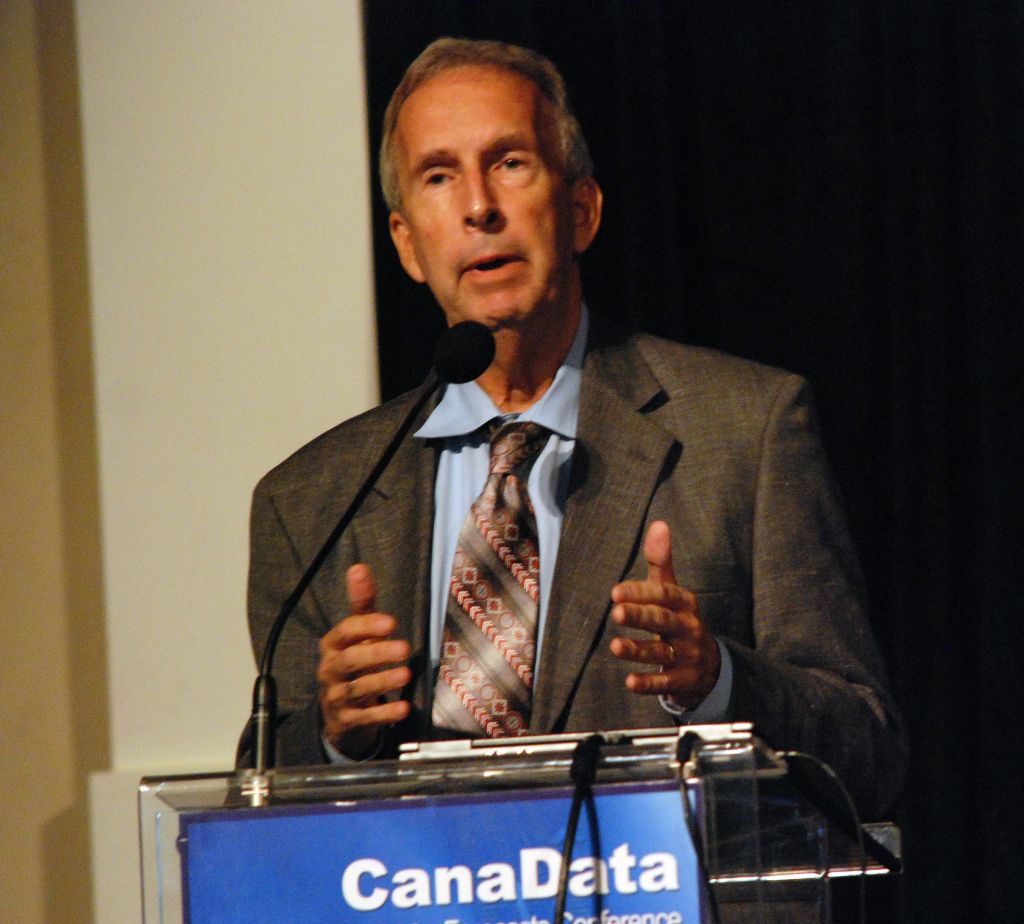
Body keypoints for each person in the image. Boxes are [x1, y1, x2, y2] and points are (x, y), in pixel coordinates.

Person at [241, 37, 905, 819]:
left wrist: (718, 680)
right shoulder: (310, 505)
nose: (478, 206)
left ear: (581, 210)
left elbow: (867, 751)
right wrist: (332, 739)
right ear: (408, 244)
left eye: (509, 163)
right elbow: (257, 791)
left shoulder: (748, 431)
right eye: (439, 176)